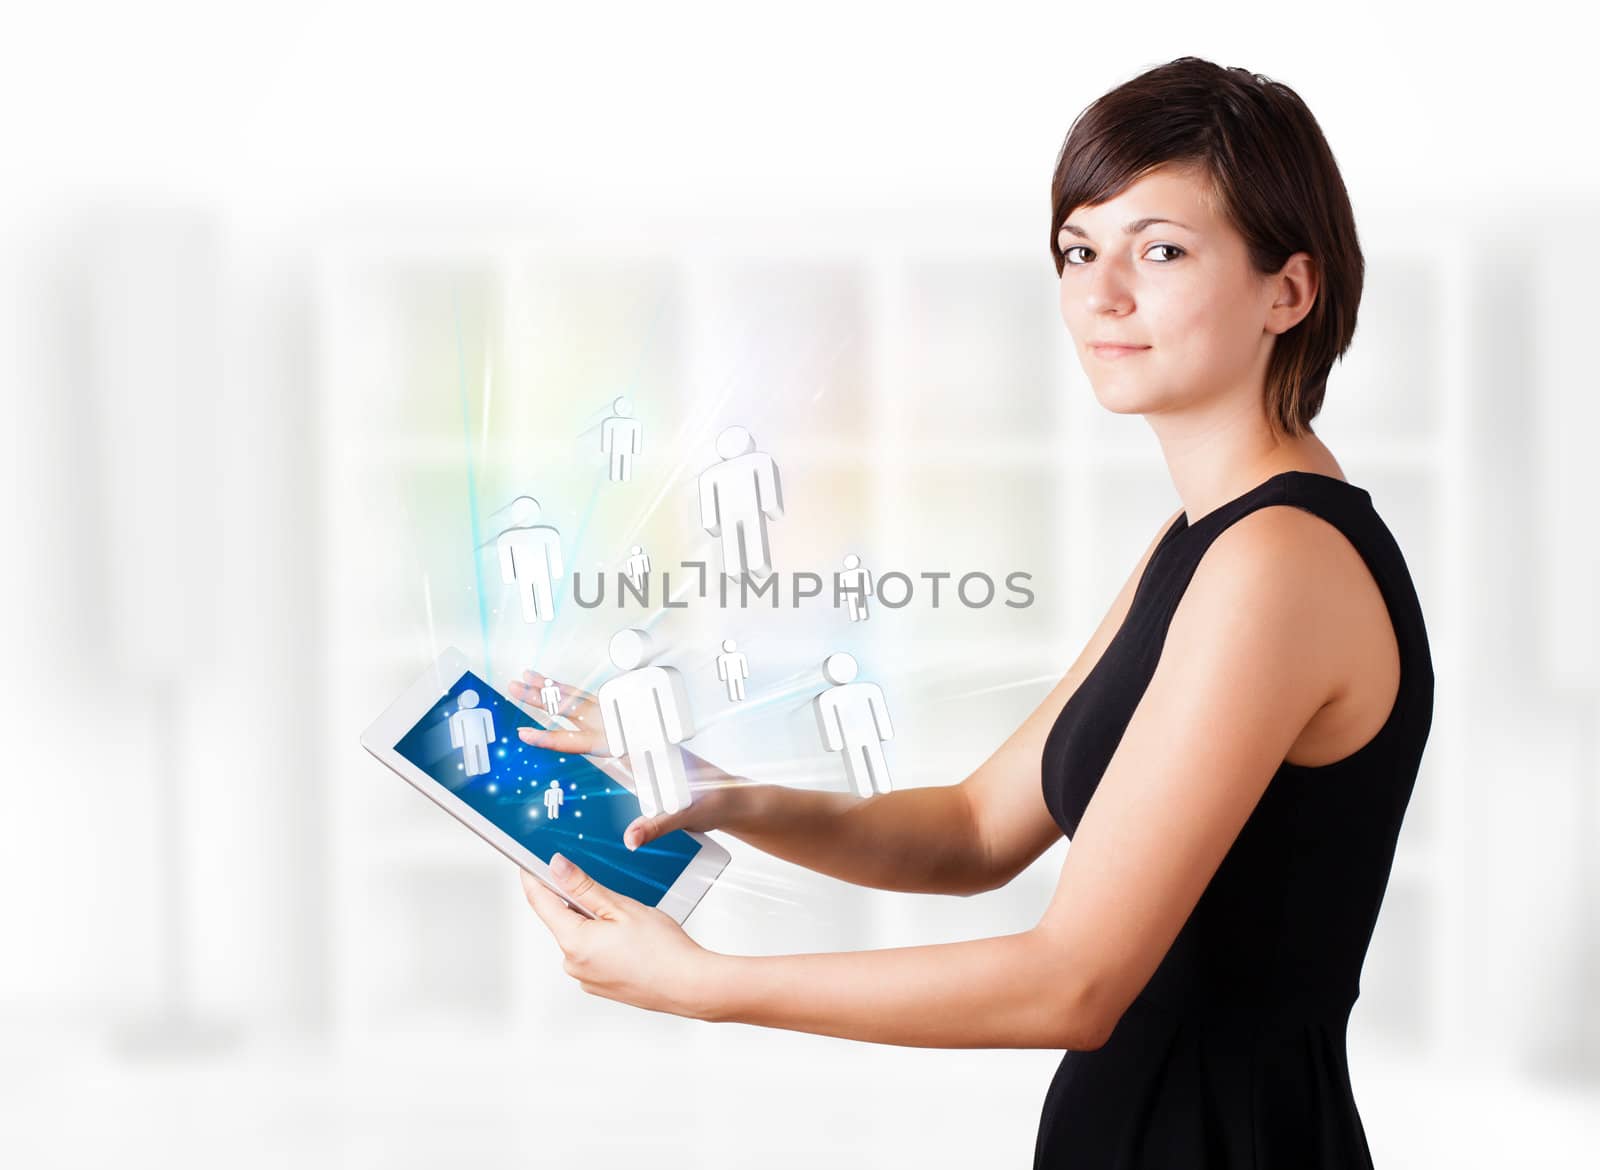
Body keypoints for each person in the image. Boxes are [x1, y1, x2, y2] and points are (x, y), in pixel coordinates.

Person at [506, 55, 1433, 1168]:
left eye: (1162, 250)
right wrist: (720, 792)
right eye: (1078, 251)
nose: (1102, 294)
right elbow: (975, 831)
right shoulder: (1202, 543)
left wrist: (706, 988)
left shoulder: (1280, 560)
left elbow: (1074, 984)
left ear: (1290, 289)